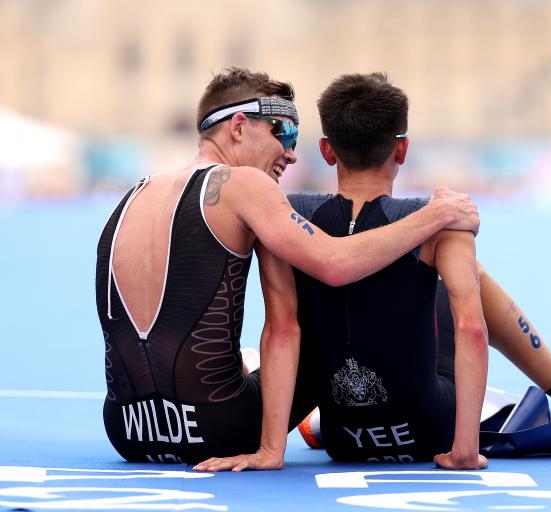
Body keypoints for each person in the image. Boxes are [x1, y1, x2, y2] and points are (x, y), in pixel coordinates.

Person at [194, 72, 551, 472]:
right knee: (459, 281)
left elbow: (281, 328)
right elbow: (472, 330)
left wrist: (271, 448)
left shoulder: (290, 213)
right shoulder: (440, 217)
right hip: (431, 431)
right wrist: (464, 449)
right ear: (403, 150)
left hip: (345, 438)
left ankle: (319, 415)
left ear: (326, 150)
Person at [95, 68, 481, 467]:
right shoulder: (245, 184)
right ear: (240, 127)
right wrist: (434, 216)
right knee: (326, 326)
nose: (291, 152)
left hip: (126, 429)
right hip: (217, 428)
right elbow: (332, 265)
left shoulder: (135, 192)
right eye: (284, 133)